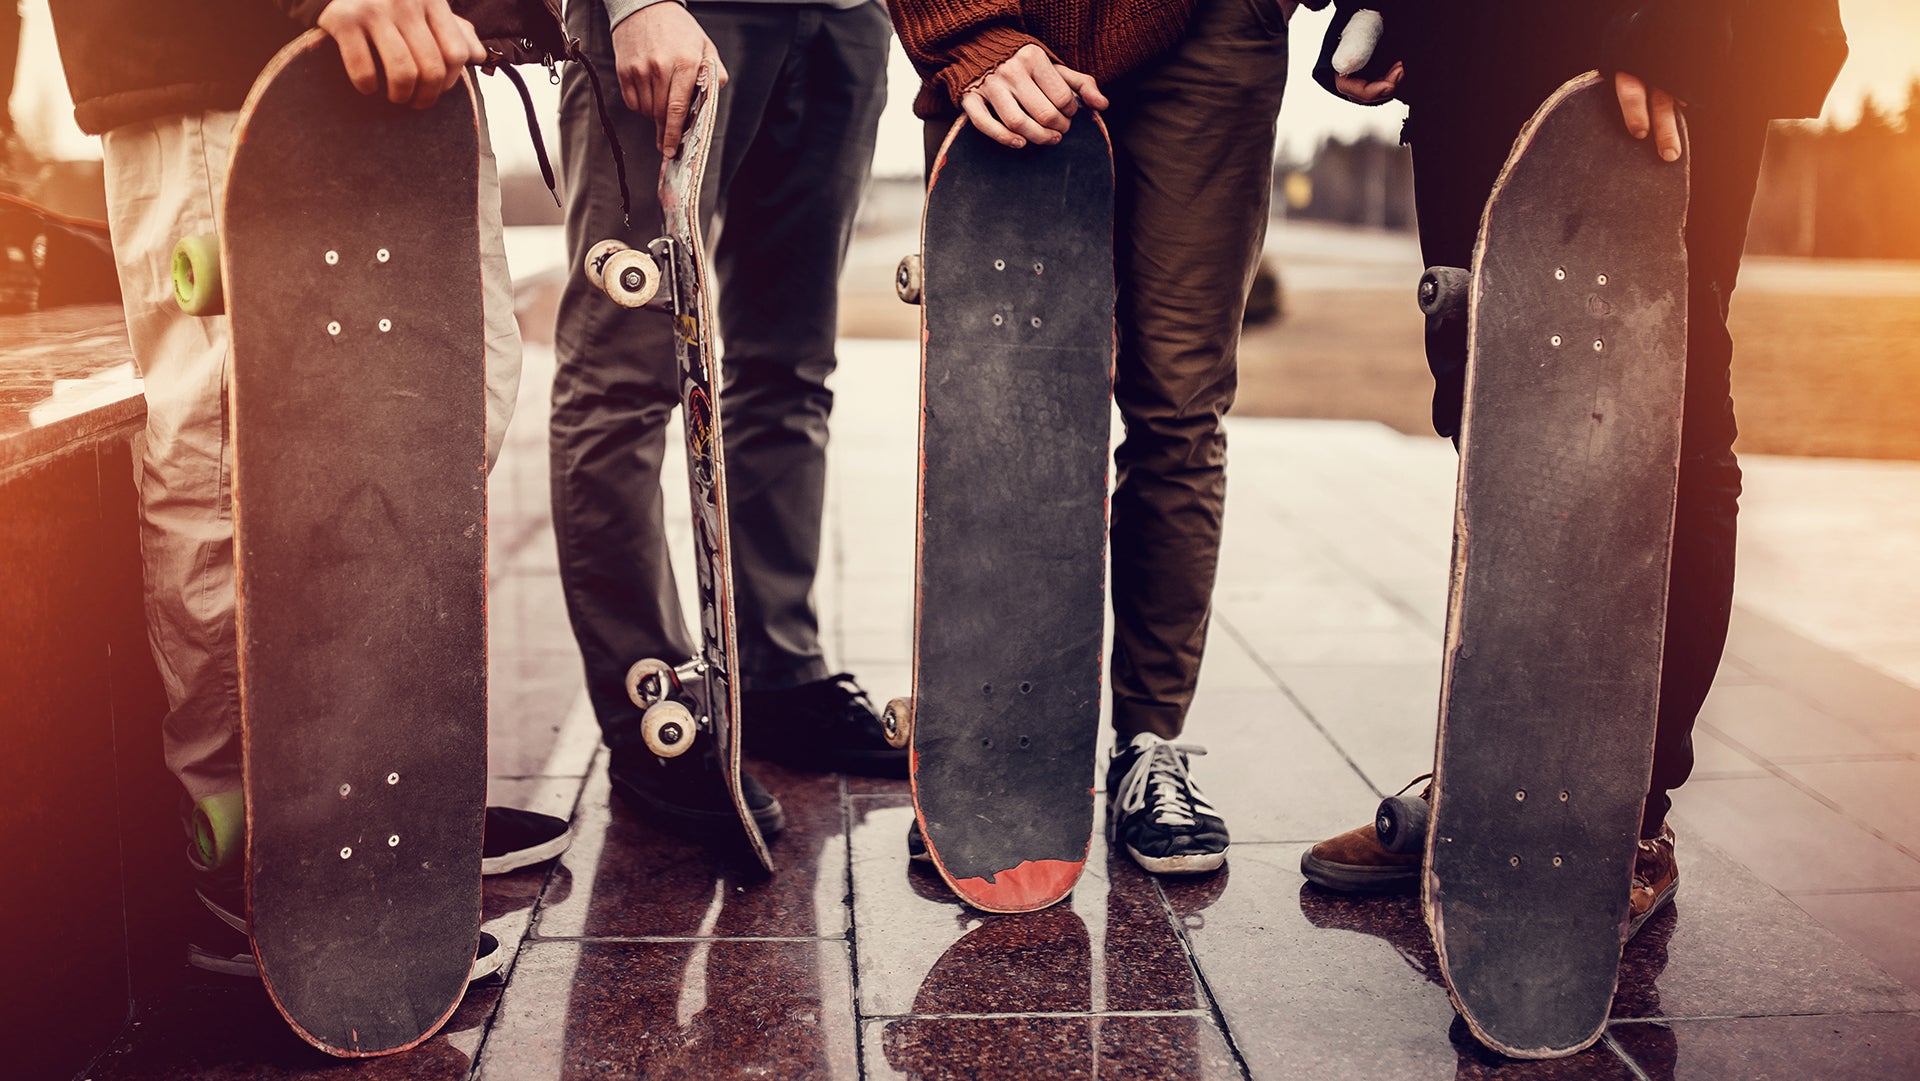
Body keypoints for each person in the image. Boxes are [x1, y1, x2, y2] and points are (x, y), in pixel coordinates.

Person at [46, 0, 575, 978]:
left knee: (435, 428)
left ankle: (369, 802)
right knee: (239, 454)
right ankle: (256, 862)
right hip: (222, 59)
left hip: (411, 55)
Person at [1297, 0, 1847, 933]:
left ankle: (1624, 814)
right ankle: (1497, 786)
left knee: (1664, 421)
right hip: (1481, 36)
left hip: (1668, 38)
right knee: (1492, 392)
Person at [887, 0, 1322, 875]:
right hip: (1006, 24)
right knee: (1001, 400)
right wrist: (964, 33)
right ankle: (994, 745)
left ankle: (1150, 745)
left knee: (1180, 402)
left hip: (1212, 28)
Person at [550, 0, 899, 840]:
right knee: (622, 377)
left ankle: (775, 671)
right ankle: (654, 716)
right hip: (682, 12)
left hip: (844, 19)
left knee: (790, 365)